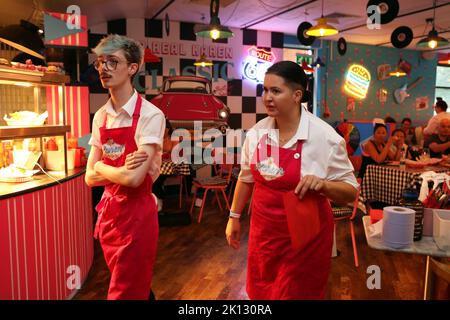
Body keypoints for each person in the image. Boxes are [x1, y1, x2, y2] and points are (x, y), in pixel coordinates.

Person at [225, 61, 358, 300]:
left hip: (305, 241)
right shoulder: (257, 133)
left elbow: (350, 191)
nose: (267, 97)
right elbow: (246, 179)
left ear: (297, 95)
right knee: (262, 294)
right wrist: (234, 217)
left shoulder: (324, 137)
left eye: (275, 91)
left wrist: (324, 185)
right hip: (264, 237)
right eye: (265, 90)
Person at [85, 34, 165, 300]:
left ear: (133, 68)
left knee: (124, 291)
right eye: (100, 62)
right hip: (109, 217)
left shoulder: (152, 115)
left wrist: (102, 166)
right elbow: (88, 177)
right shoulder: (101, 115)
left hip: (136, 218)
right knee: (132, 286)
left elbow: (133, 179)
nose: (103, 69)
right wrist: (113, 170)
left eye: (112, 61)